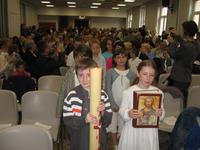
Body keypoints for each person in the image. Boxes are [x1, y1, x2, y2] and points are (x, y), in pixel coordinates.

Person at [63, 58, 112, 150]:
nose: (85, 79)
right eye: (81, 75)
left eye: (89, 75)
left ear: (96, 75)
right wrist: (84, 120)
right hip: (79, 142)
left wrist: (103, 113)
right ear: (77, 76)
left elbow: (107, 122)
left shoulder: (103, 95)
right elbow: (68, 122)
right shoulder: (71, 96)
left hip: (99, 141)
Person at [118, 60, 165, 150]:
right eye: (145, 74)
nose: (148, 78)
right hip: (132, 130)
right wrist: (128, 113)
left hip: (149, 132)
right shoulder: (128, 92)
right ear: (138, 73)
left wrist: (160, 113)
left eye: (151, 75)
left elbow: (161, 111)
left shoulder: (158, 92)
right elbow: (122, 110)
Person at [105, 48, 135, 148]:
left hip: (125, 105)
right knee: (113, 124)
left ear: (127, 58)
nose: (121, 59)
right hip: (113, 103)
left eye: (123, 57)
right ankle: (115, 144)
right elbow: (108, 89)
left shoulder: (131, 73)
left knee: (123, 124)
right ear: (114, 59)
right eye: (118, 57)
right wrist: (112, 103)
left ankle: (122, 142)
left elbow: (132, 90)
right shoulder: (110, 72)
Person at [167, 20, 200, 107]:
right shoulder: (196, 44)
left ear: (185, 31)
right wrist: (177, 37)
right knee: (182, 99)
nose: (181, 31)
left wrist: (172, 42)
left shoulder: (187, 47)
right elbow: (185, 44)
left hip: (179, 77)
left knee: (177, 102)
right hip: (186, 76)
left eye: (182, 29)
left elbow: (172, 53)